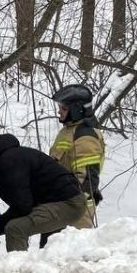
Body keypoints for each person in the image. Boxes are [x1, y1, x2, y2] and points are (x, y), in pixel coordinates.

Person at [0, 130, 88, 252]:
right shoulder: (4, 158)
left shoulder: (7, 163)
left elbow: (22, 206)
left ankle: (18, 269)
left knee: (15, 228)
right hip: (54, 201)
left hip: (69, 203)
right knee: (41, 245)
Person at [49, 84, 106, 228]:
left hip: (77, 211)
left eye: (64, 108)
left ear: (76, 110)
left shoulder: (85, 136)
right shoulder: (68, 131)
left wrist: (73, 205)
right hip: (60, 204)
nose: (59, 111)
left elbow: (87, 180)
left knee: (74, 249)